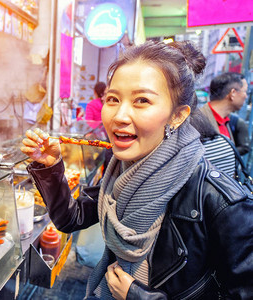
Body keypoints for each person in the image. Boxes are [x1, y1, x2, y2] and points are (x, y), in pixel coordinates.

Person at [21, 40, 253, 299]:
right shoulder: (120, 171)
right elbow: (70, 218)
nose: (120, 115)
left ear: (178, 115)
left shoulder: (220, 201)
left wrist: (137, 296)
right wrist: (51, 166)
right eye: (113, 98)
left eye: (141, 100)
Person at [199, 72, 250, 155]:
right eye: (245, 91)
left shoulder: (225, 121)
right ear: (232, 93)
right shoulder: (199, 120)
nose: (246, 96)